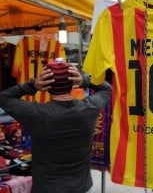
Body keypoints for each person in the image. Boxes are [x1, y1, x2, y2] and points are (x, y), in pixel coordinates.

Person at [0, 61, 112, 193]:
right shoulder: (88, 108)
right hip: (82, 187)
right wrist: (84, 80)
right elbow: (107, 88)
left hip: (47, 188)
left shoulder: (35, 113)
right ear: (73, 84)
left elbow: (4, 97)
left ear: (46, 86)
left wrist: (32, 85)